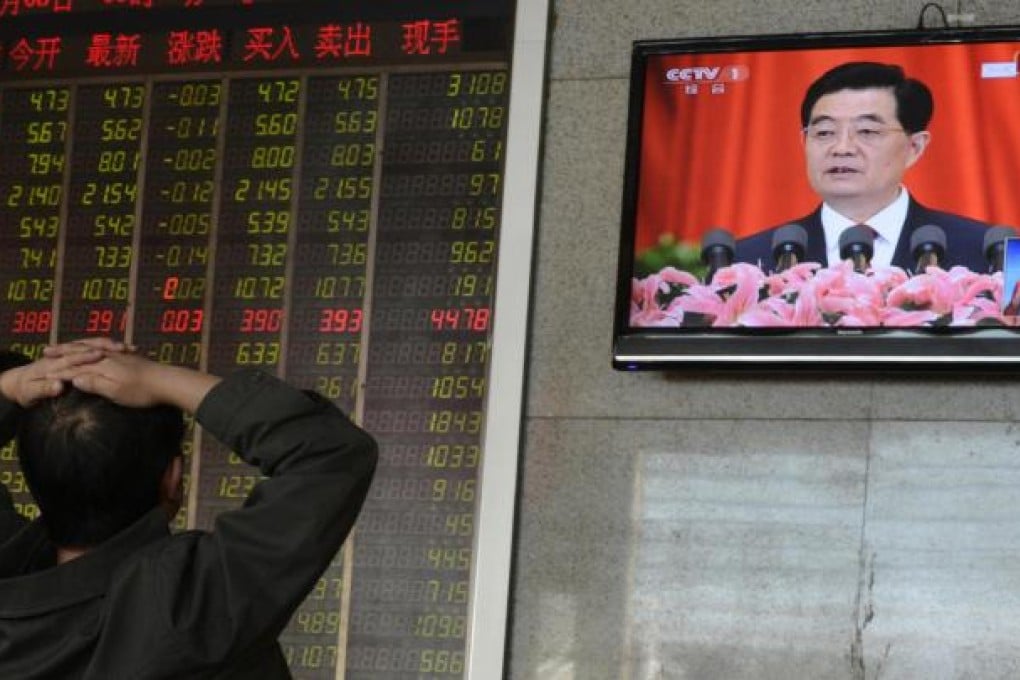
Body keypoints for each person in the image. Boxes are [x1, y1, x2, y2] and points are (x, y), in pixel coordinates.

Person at [0, 340, 378, 679]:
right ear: (173, 478)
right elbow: (327, 452)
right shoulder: (193, 604)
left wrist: (10, 385)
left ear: (32, 477)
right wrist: (157, 379)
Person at [736, 61, 992, 274]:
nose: (842, 148)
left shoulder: (993, 252)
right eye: (824, 132)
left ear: (914, 147)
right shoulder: (746, 261)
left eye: (867, 131)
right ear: (804, 142)